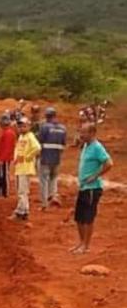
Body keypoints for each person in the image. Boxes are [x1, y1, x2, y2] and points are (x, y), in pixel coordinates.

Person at [71, 123, 112, 255]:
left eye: (84, 132)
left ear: (92, 133)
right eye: (81, 132)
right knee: (79, 217)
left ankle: (86, 246)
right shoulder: (86, 146)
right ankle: (81, 243)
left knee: (88, 218)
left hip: (92, 188)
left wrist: (95, 176)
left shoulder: (97, 147)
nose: (81, 135)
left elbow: (109, 163)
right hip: (84, 187)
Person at [10, 118, 41, 221]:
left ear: (29, 126)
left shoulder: (30, 136)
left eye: (24, 126)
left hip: (25, 167)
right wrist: (15, 159)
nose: (21, 128)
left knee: (22, 191)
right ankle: (23, 211)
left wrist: (28, 156)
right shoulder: (21, 137)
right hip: (20, 167)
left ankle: (21, 211)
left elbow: (37, 148)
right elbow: (18, 149)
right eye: (20, 126)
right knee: (21, 190)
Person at [37, 107, 67, 210]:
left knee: (44, 180)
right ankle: (53, 196)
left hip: (45, 157)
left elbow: (39, 142)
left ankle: (44, 204)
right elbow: (63, 144)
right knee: (54, 178)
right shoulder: (63, 128)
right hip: (57, 158)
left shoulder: (44, 127)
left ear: (46, 116)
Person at [0, 114, 16, 197]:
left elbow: (7, 148)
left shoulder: (8, 133)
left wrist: (1, 160)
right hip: (2, 159)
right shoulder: (7, 132)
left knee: (4, 176)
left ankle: (5, 194)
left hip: (4, 159)